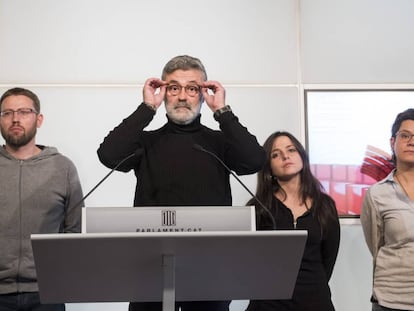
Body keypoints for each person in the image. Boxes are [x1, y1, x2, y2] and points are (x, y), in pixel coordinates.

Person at [97, 55, 265, 311]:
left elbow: (254, 160)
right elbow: (108, 155)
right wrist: (146, 108)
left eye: (192, 88)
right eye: (174, 88)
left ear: (202, 93)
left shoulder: (218, 143)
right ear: (163, 93)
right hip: (149, 276)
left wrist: (221, 111)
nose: (183, 97)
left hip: (209, 277)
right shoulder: (146, 143)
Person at [0, 87, 84, 311]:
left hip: (46, 295)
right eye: (7, 113)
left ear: (39, 119)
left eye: (24, 112)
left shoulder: (62, 167)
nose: (15, 119)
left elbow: (75, 230)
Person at [245, 131, 340, 311]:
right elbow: (249, 263)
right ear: (269, 167)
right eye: (275, 154)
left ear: (302, 157)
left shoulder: (325, 205)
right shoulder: (257, 208)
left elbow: (328, 259)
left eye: (291, 150)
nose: (285, 156)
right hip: (268, 304)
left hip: (315, 301)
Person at [361, 108, 414, 311]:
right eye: (405, 135)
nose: (411, 141)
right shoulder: (377, 194)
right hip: (391, 300)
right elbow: (376, 246)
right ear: (393, 142)